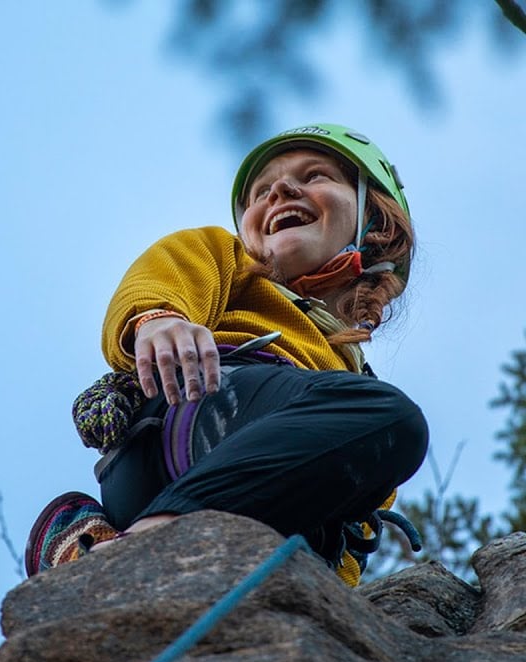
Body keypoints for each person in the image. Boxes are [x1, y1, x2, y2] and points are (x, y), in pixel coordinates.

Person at [25, 123, 429, 586]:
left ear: (375, 223)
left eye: (315, 175)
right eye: (260, 192)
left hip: (224, 498)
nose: (279, 189)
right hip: (202, 407)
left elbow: (354, 538)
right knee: (393, 421)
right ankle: (149, 544)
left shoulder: (357, 392)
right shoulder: (231, 259)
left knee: (368, 441)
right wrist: (158, 321)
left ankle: (93, 550)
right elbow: (165, 272)